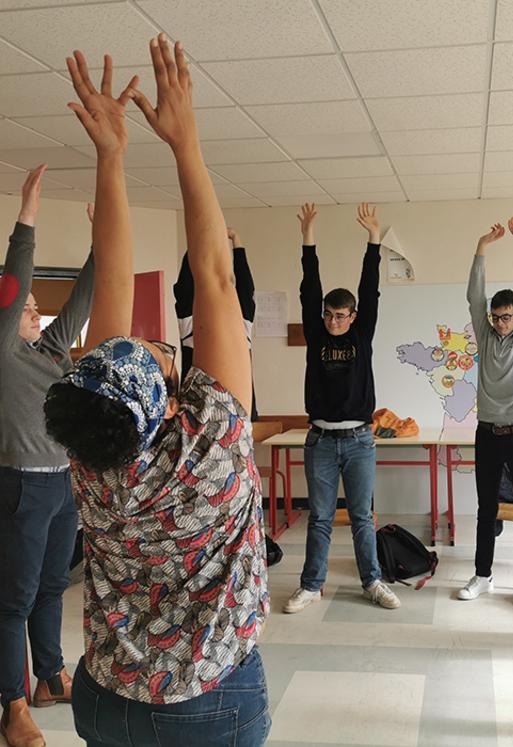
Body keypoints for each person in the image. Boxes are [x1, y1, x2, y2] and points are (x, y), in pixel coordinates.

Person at [43, 37, 269, 746]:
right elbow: (216, 276)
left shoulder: (90, 450)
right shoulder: (216, 442)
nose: (148, 339)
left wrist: (112, 157)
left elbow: (111, 286)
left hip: (107, 698)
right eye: (161, 356)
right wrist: (183, 143)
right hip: (212, 698)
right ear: (172, 404)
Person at [0, 167, 94, 747]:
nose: (37, 313)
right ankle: (12, 706)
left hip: (61, 484)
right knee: (12, 599)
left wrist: (101, 242)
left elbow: (80, 301)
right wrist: (27, 217)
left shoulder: (51, 352)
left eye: (39, 308)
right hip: (20, 486)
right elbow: (15, 281)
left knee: (53, 585)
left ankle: (50, 676)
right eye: (28, 308)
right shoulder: (4, 350)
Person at [283, 202, 400, 614]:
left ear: (353, 316)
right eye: (329, 316)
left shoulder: (361, 334)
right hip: (319, 441)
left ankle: (372, 582)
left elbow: (371, 288)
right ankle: (311, 585)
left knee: (363, 518)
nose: (334, 322)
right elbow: (308, 287)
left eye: (341, 316)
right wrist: (308, 237)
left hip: (359, 441)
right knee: (318, 517)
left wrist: (373, 240)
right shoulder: (317, 336)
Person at [459, 217, 513, 612]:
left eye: (506, 316)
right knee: (485, 509)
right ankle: (483, 575)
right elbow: (474, 295)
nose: (499, 322)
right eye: (495, 317)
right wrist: (481, 246)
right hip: (488, 433)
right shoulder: (486, 335)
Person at [174, 226, 259, 421]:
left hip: (237, 414)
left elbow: (246, 289)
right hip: (198, 414)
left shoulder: (240, 327)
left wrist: (237, 243)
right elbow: (184, 288)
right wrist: (196, 243)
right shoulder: (191, 327)